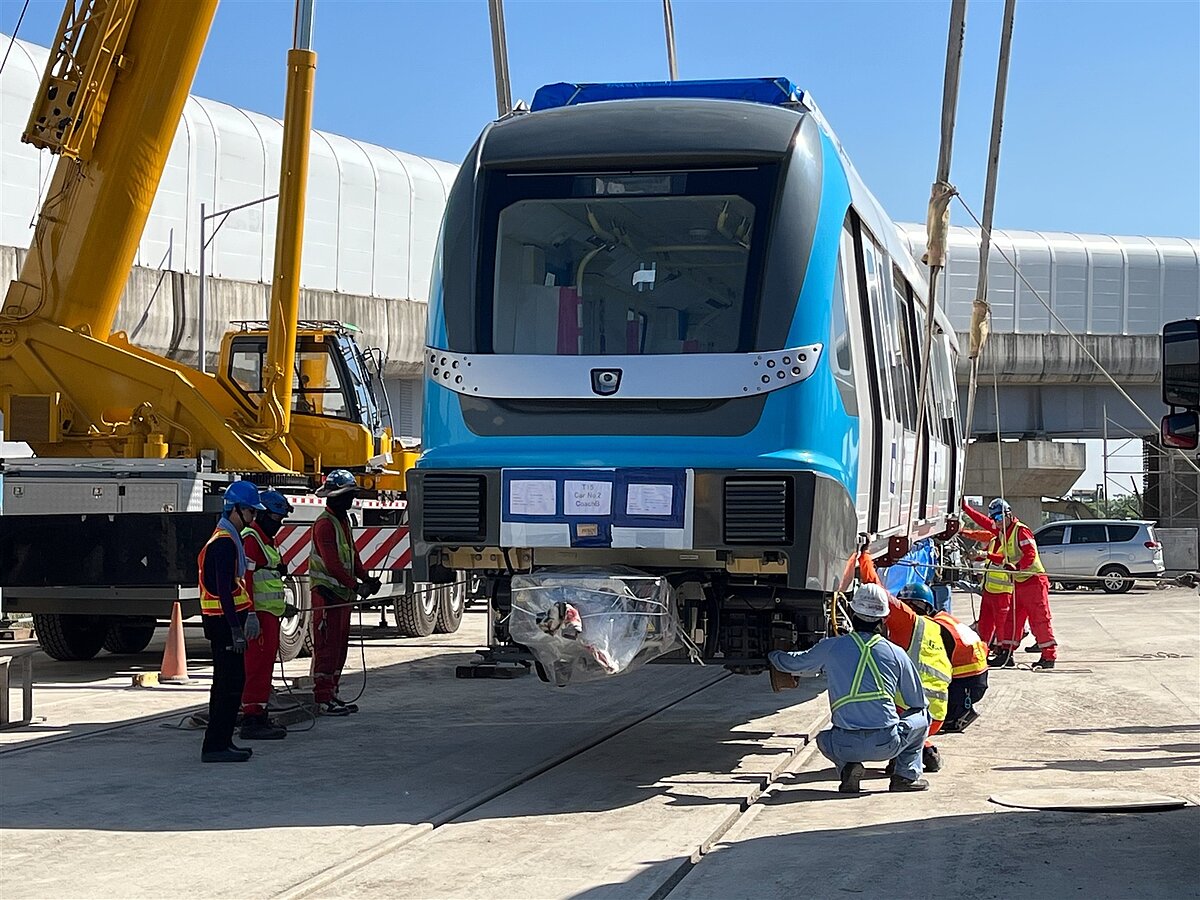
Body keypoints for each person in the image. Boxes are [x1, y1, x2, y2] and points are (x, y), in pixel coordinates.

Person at [768, 583, 931, 794]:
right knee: (922, 715)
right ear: (883, 620)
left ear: (852, 614)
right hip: (887, 744)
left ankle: (848, 768)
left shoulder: (832, 646)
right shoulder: (896, 653)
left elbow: (793, 663)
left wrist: (772, 655)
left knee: (823, 739)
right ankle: (905, 777)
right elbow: (917, 703)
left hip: (844, 744)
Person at [197, 481, 265, 762]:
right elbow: (224, 589)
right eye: (250, 512)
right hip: (223, 625)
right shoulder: (224, 542)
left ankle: (223, 741)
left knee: (230, 684)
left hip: (225, 623)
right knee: (227, 686)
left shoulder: (228, 537)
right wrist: (235, 630)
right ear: (235, 509)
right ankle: (215, 746)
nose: (253, 518)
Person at [309, 469, 381, 716]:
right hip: (327, 595)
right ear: (336, 497)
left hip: (341, 597)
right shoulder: (324, 524)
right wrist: (356, 585)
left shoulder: (342, 521)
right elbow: (332, 563)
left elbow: (352, 556)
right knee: (327, 648)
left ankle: (332, 692)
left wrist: (366, 578)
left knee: (340, 647)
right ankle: (322, 697)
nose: (352, 501)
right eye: (349, 495)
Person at [963, 498, 1057, 669]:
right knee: (1012, 621)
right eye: (995, 519)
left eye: (999, 518)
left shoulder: (1021, 531)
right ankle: (1006, 654)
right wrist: (965, 508)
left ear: (1008, 514)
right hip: (1018, 582)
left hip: (1033, 581)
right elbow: (984, 522)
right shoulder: (1002, 531)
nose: (996, 523)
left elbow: (1030, 554)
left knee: (1039, 619)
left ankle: (1048, 656)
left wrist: (1018, 567)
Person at [238, 490, 295, 741]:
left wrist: (283, 607)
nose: (278, 523)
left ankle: (259, 712)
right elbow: (247, 578)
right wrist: (250, 612)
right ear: (261, 514)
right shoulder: (252, 538)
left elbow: (268, 578)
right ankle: (252, 717)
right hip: (258, 617)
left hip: (269, 615)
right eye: (275, 517)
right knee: (257, 667)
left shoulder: (266, 540)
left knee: (264, 667)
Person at [896, 582, 989, 734]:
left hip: (966, 683)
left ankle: (957, 712)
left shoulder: (934, 627)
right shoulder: (944, 618)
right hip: (976, 676)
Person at [960, 522, 1017, 666]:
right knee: (985, 624)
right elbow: (988, 557)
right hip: (989, 590)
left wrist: (980, 552)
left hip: (1003, 592)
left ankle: (1005, 655)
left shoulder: (1009, 543)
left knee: (1002, 625)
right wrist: (976, 555)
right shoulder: (993, 541)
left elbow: (999, 557)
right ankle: (983, 651)